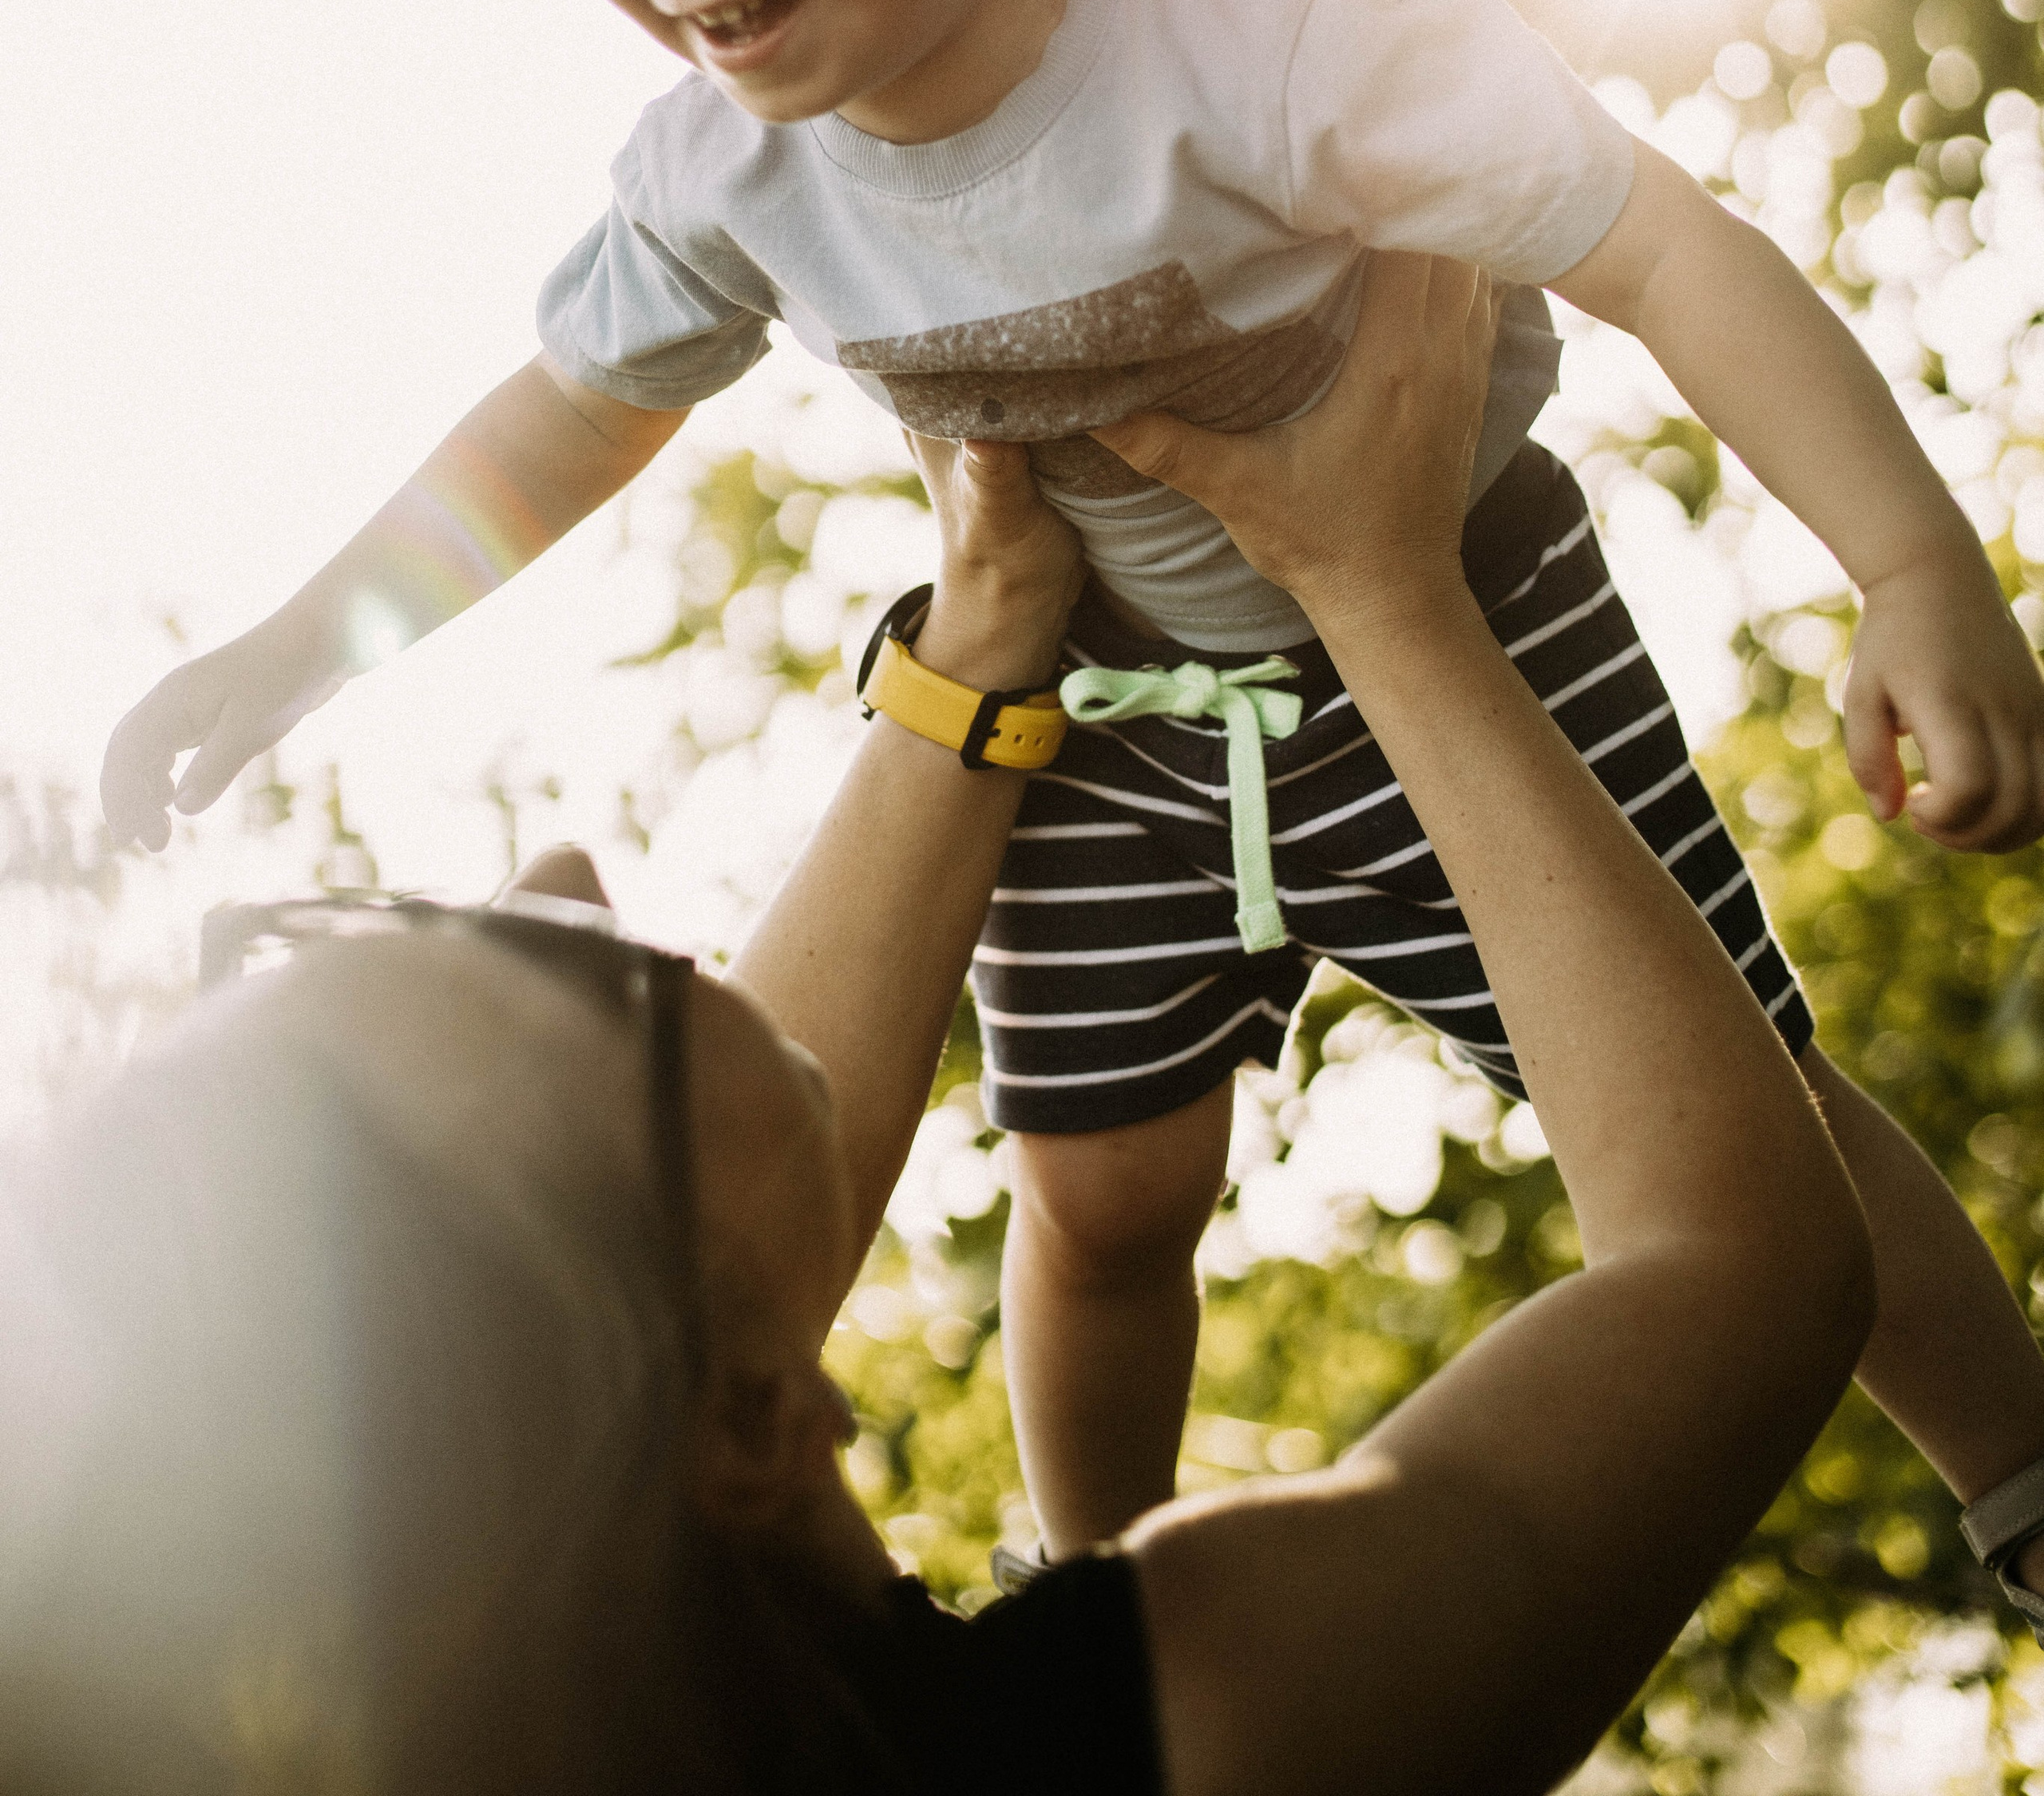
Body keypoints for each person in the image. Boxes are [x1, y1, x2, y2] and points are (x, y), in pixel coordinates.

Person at [97, 0, 2044, 1611]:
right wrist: (296, 650)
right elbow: (566, 419)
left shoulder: (1262, 56)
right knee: (1102, 1198)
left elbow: (1666, 253)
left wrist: (1914, 570)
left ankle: (2015, 1465)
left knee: (1743, 1104)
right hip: (1105, 721)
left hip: (1456, 626)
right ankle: (1099, 1608)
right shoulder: (723, 174)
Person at [10, 259, 1877, 1795]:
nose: (572, 869)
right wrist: (1377, 587)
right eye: (558, 972)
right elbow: (1744, 1268)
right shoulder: (1174, 1734)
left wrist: (984, 632)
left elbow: (729, 1218)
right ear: (743, 1423)